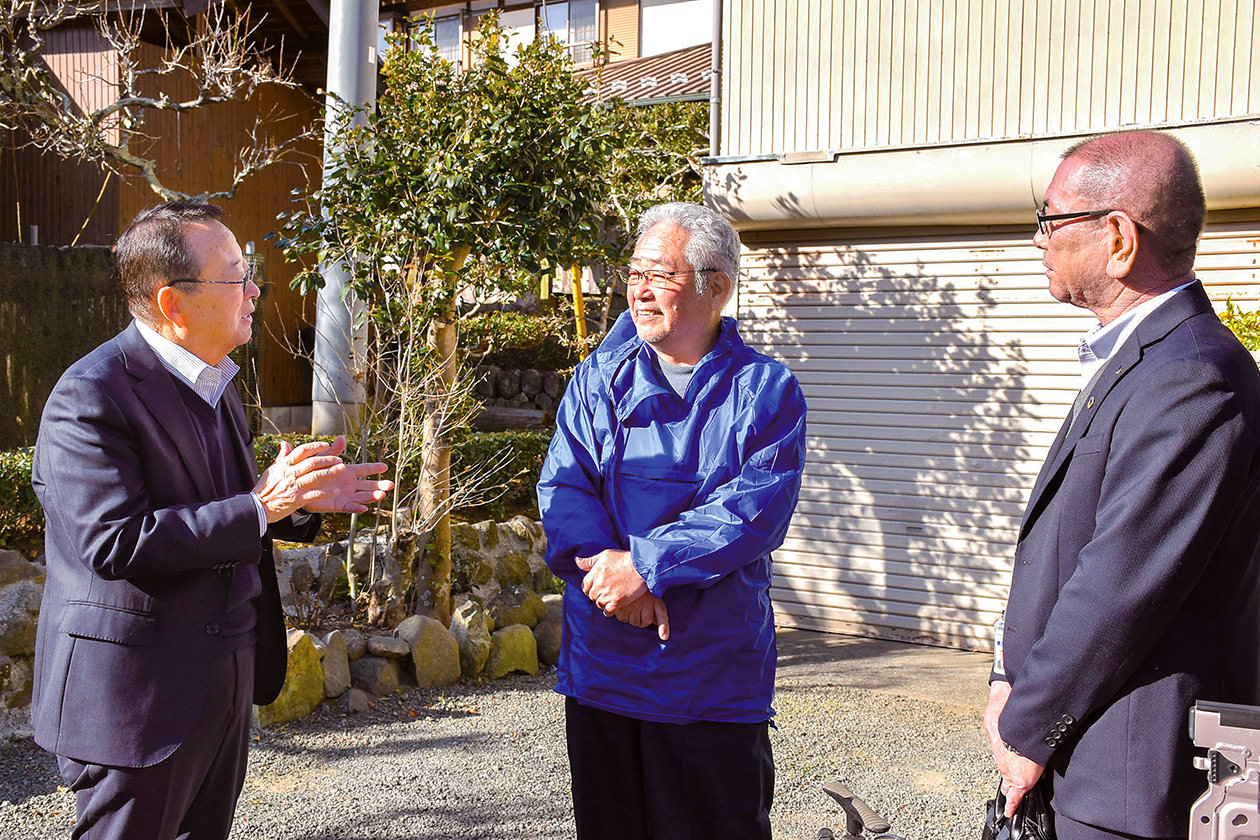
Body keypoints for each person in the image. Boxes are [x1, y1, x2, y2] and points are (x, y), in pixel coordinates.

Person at [30, 201, 394, 840]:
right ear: (173, 303)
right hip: (138, 695)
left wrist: (296, 502)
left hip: (221, 674)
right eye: (237, 277)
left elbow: (229, 504)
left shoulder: (217, 379)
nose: (255, 289)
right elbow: (116, 542)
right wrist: (264, 504)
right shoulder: (90, 396)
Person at [984, 131, 1260, 840]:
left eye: (1051, 220)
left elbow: (1118, 586)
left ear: (1117, 236)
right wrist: (1004, 675)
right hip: (1098, 763)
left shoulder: (1191, 377)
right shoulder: (1149, 361)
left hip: (1134, 783)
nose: (1038, 239)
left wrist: (1026, 727)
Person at [537, 202, 807, 839]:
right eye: (633, 273)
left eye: (659, 274)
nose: (638, 289)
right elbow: (565, 489)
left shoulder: (766, 391)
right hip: (604, 669)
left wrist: (647, 569)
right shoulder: (599, 379)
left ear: (717, 288)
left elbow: (750, 513)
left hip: (709, 679)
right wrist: (614, 579)